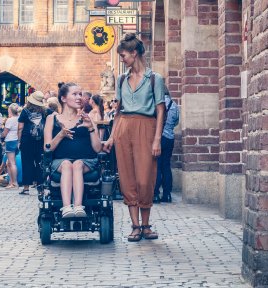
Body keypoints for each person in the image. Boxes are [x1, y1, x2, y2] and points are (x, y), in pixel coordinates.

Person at [103, 33, 165, 242]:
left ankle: (147, 225)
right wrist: (111, 137)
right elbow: (118, 112)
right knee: (127, 177)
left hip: (147, 127)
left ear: (134, 53)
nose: (122, 59)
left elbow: (160, 109)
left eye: (123, 55)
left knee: (145, 178)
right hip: (123, 129)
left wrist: (157, 139)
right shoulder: (121, 79)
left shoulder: (155, 78)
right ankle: (136, 226)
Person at [43, 82, 102, 218]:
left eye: (80, 94)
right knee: (66, 164)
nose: (79, 97)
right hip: (60, 162)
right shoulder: (52, 119)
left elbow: (98, 148)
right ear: (63, 98)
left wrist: (90, 128)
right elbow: (47, 148)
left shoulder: (88, 118)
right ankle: (66, 207)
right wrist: (61, 134)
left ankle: (78, 206)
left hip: (86, 161)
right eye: (74, 94)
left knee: (77, 164)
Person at [18, 91, 47, 194]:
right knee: (40, 163)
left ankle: (26, 188)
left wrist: (19, 141)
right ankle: (41, 189)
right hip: (40, 140)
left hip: (27, 141)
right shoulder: (45, 111)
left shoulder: (25, 111)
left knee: (26, 163)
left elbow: (20, 128)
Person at [154, 88, 180, 203]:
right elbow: (176, 122)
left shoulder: (157, 104)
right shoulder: (174, 105)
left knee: (156, 166)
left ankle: (155, 194)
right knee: (166, 166)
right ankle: (167, 194)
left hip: (158, 138)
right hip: (170, 138)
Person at [1, 103, 20, 188]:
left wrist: (0, 137)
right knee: (9, 162)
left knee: (12, 163)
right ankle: (10, 182)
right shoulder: (19, 119)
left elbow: (5, 132)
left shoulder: (10, 120)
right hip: (17, 141)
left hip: (10, 141)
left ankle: (14, 182)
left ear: (10, 111)